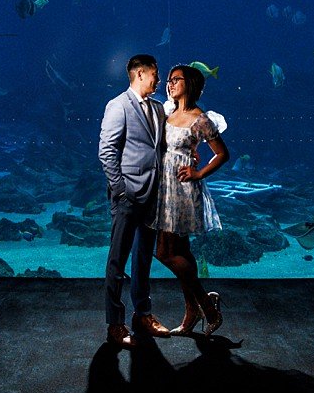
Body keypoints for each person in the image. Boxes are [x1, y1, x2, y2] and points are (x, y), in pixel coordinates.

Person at [97, 53, 172, 349]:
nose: (159, 79)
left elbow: (161, 147)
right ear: (140, 74)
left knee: (143, 258)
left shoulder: (157, 108)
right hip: (128, 195)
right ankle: (115, 323)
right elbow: (107, 151)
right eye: (155, 73)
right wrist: (120, 189)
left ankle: (143, 314)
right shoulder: (117, 106)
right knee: (118, 260)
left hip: (154, 194)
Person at [154, 64, 231, 335]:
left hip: (182, 191)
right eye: (169, 80)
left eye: (177, 80)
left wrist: (198, 173)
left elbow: (222, 153)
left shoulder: (200, 119)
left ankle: (206, 307)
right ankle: (193, 312)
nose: (170, 84)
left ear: (191, 83)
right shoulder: (168, 112)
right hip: (164, 188)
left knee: (164, 252)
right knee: (182, 252)